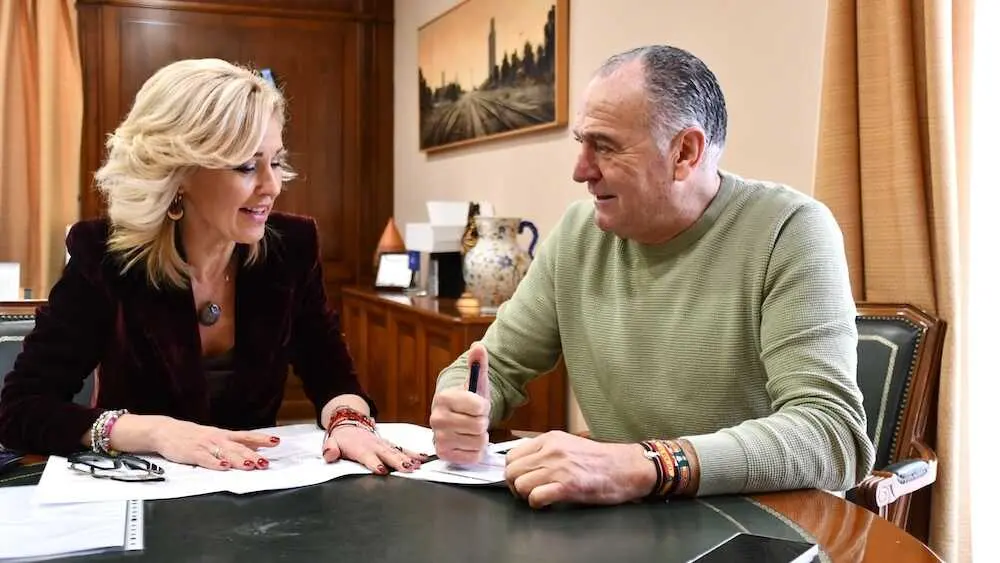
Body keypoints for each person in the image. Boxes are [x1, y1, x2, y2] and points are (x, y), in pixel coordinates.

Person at [429, 45, 875, 508]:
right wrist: (459, 406)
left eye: (604, 146)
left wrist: (648, 465)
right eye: (581, 143)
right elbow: (491, 367)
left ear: (684, 151)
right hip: (627, 519)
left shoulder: (791, 229)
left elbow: (831, 433)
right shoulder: (578, 234)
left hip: (761, 523)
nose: (580, 170)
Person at [0, 58, 424, 475]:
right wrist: (157, 432)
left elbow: (331, 373)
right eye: (245, 166)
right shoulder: (106, 254)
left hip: (255, 497)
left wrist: (348, 421)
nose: (272, 186)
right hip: (145, 496)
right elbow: (20, 409)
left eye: (275, 162)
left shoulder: (290, 248)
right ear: (177, 171)